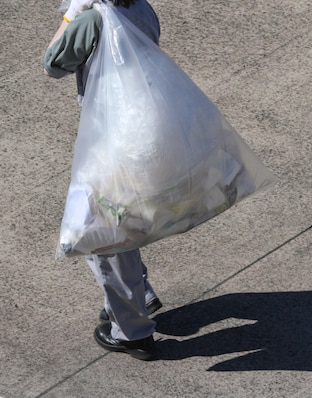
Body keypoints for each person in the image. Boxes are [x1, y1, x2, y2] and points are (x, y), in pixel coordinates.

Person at [43, 0, 163, 360]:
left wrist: (70, 16)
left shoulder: (91, 19)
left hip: (109, 140)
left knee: (103, 235)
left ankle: (132, 332)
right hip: (140, 127)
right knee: (96, 222)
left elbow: (52, 63)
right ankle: (137, 293)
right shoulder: (140, 7)